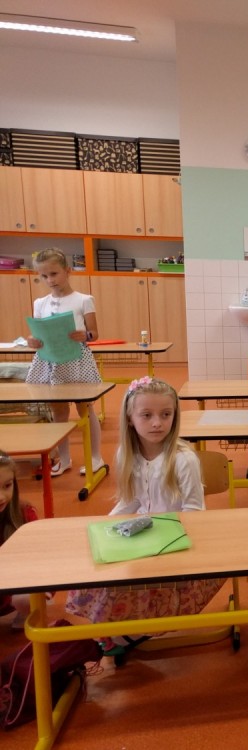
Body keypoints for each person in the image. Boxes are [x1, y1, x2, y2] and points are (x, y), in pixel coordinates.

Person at [64, 378, 224, 656]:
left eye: (166, 414)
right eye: (146, 415)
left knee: (139, 581)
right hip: (144, 536)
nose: (157, 423)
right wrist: (105, 527)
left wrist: (166, 541)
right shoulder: (127, 455)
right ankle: (121, 629)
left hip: (175, 541)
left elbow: (194, 512)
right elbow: (132, 500)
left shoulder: (184, 459)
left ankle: (130, 633)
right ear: (130, 418)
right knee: (100, 570)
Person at [25, 248, 105, 477]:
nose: (50, 280)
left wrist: (84, 335)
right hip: (50, 360)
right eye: (44, 276)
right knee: (58, 411)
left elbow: (94, 333)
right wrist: (33, 341)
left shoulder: (83, 300)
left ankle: (95, 457)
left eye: (54, 274)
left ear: (67, 271)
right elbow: (38, 333)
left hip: (76, 359)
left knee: (84, 408)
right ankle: (65, 458)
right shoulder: (40, 303)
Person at [0, 450, 41, 630]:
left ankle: (27, 612)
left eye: (7, 486)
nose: (1, 496)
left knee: (25, 598)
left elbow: (41, 562)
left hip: (15, 586)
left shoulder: (24, 514)